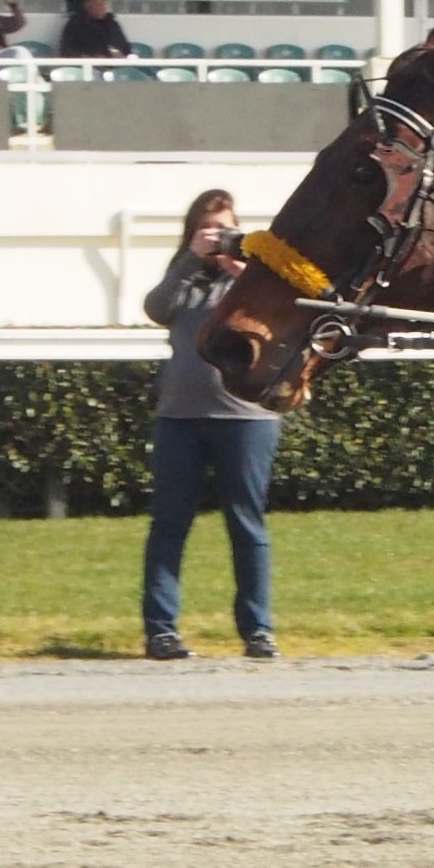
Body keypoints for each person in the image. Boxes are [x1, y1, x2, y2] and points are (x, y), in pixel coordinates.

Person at [142, 189, 283, 662]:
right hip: (180, 418)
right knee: (169, 524)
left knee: (247, 524)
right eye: (207, 231)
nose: (216, 239)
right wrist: (189, 261)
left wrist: (244, 274)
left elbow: (281, 317)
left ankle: (258, 630)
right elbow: (157, 308)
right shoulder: (183, 280)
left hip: (246, 419)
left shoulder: (254, 278)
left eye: (224, 230)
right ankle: (161, 631)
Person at [59, 0, 133, 59]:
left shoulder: (112, 24)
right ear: (87, 6)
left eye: (103, 5)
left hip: (113, 65)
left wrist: (118, 53)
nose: (101, 8)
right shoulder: (75, 24)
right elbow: (67, 49)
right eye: (97, 5)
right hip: (86, 66)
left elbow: (125, 47)